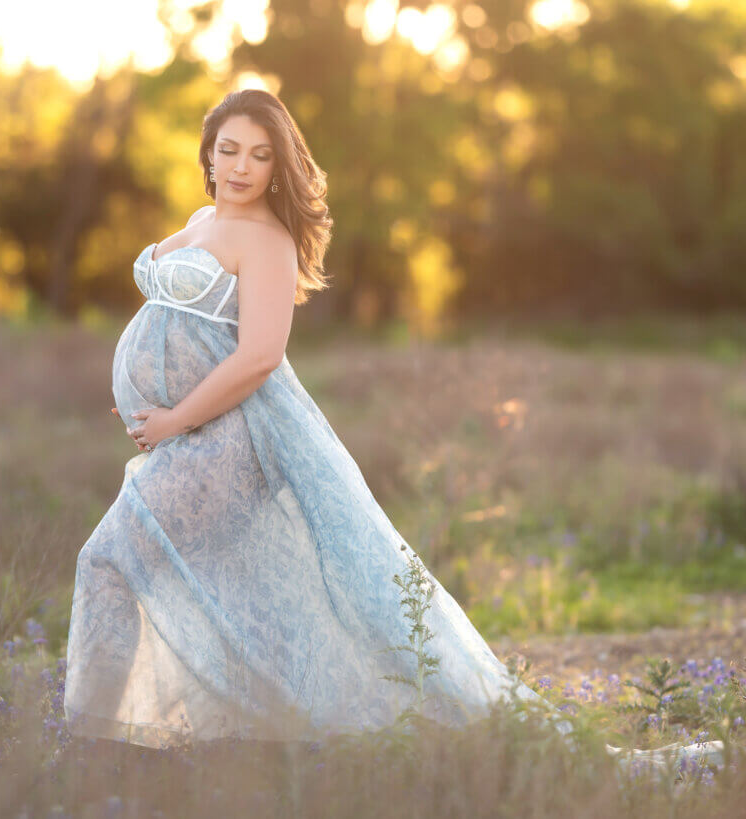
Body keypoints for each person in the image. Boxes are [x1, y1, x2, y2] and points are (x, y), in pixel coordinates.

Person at [62, 89, 724, 778]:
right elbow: (183, 322)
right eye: (228, 149)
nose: (241, 166)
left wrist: (176, 412)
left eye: (260, 155)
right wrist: (151, 390)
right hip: (186, 434)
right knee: (233, 598)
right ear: (207, 151)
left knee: (107, 560)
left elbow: (259, 355)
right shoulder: (201, 220)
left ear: (278, 167)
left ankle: (91, 750)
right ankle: (196, 749)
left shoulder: (269, 240)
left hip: (228, 443)